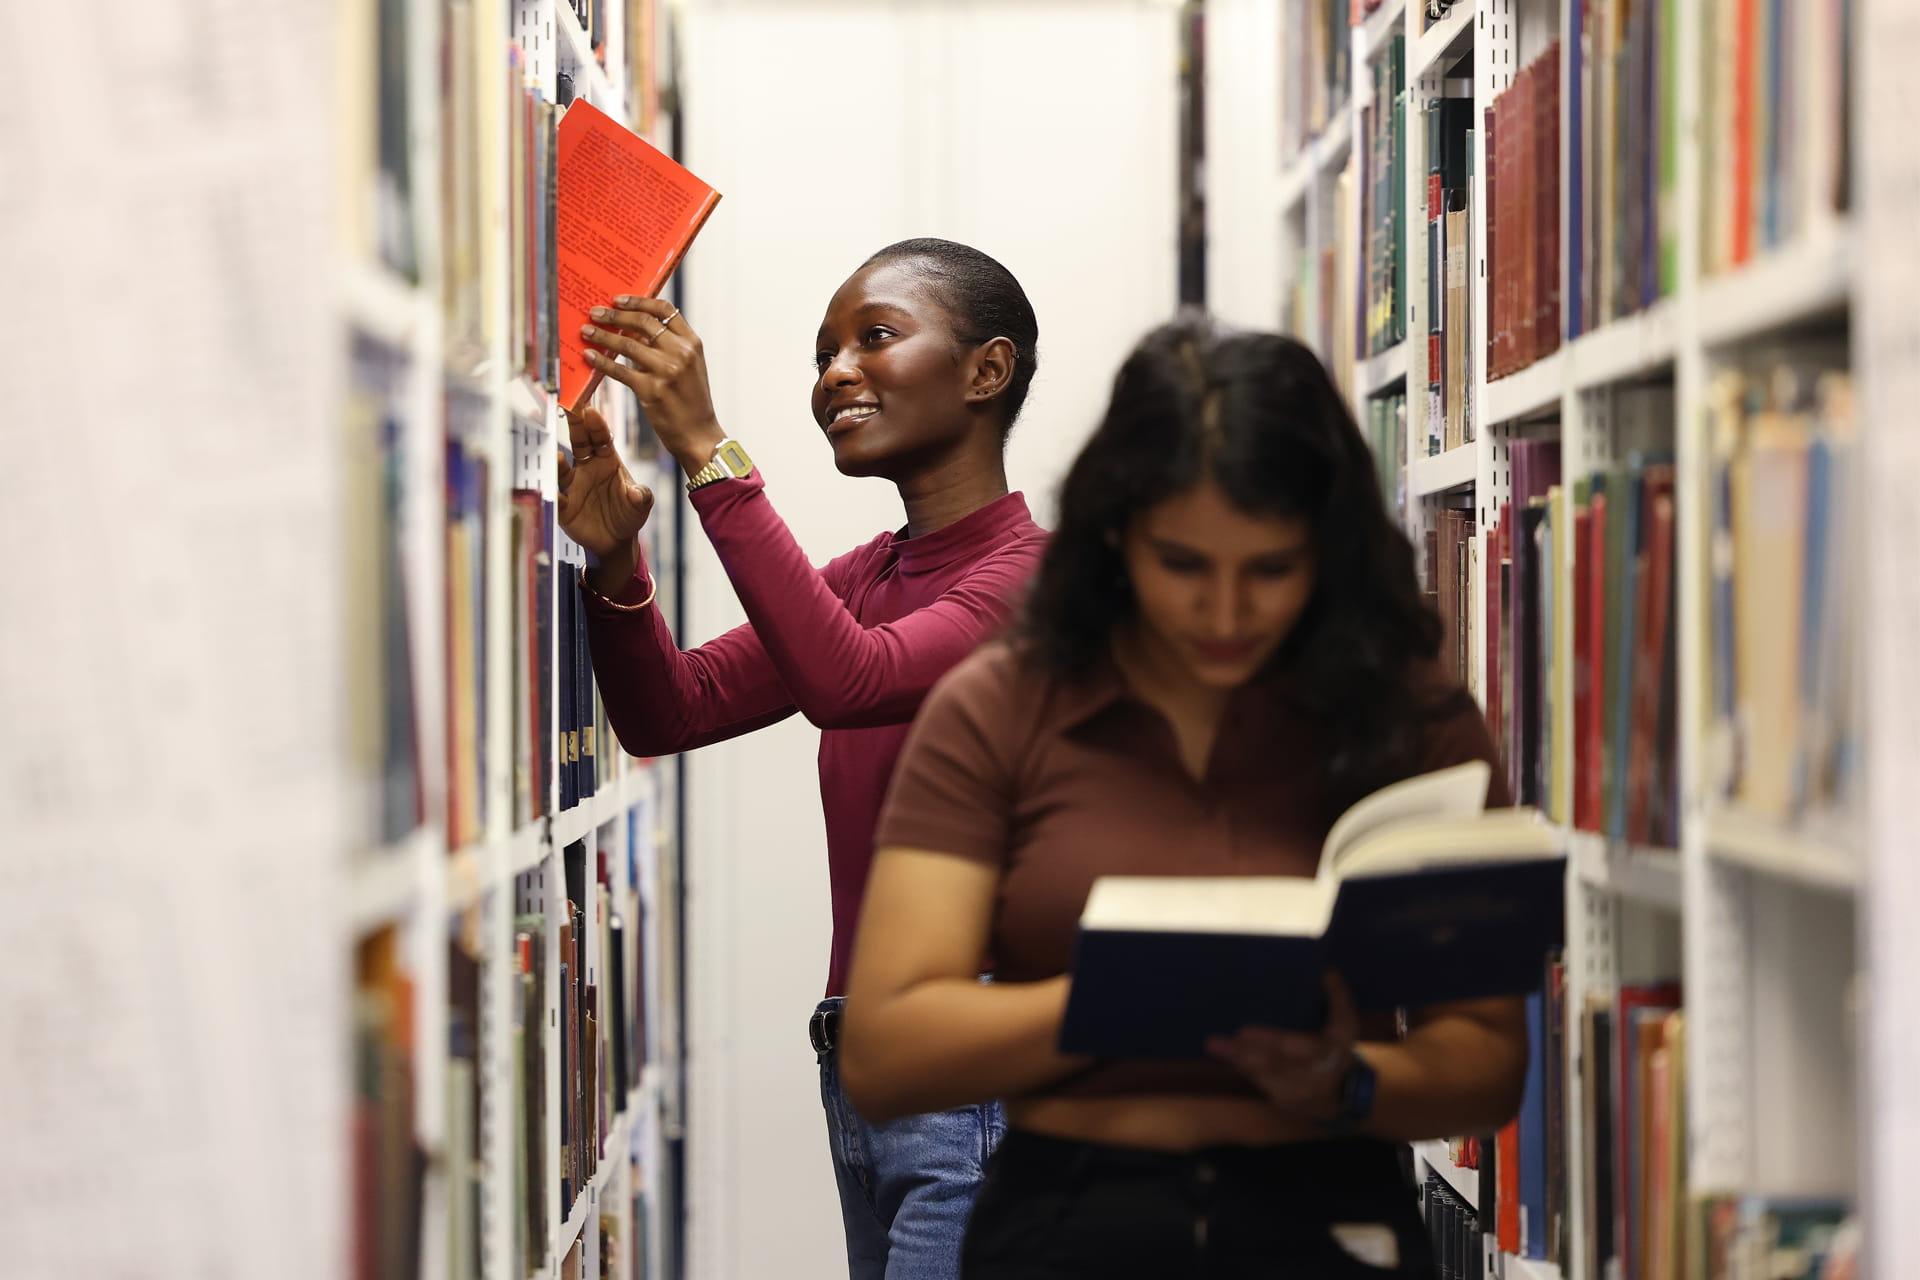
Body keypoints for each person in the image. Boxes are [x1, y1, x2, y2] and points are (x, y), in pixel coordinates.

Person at [838, 316, 1529, 1278]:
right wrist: (1128, 1001)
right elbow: (887, 1051)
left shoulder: (1410, 718)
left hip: (1328, 1219)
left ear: (1327, 552)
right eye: (1183, 566)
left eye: (1272, 570)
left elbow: (1488, 1064)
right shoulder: (1002, 707)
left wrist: (1349, 1080)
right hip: (1069, 1224)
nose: (1226, 612)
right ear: (1116, 537)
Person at [556, 238, 1048, 1279]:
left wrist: (707, 449)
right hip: (866, 1063)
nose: (835, 373)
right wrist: (612, 560)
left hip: (975, 1079)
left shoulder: (1034, 585)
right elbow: (671, 710)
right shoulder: (873, 574)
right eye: (824, 351)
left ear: (985, 370)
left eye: (875, 337)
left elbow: (850, 681)